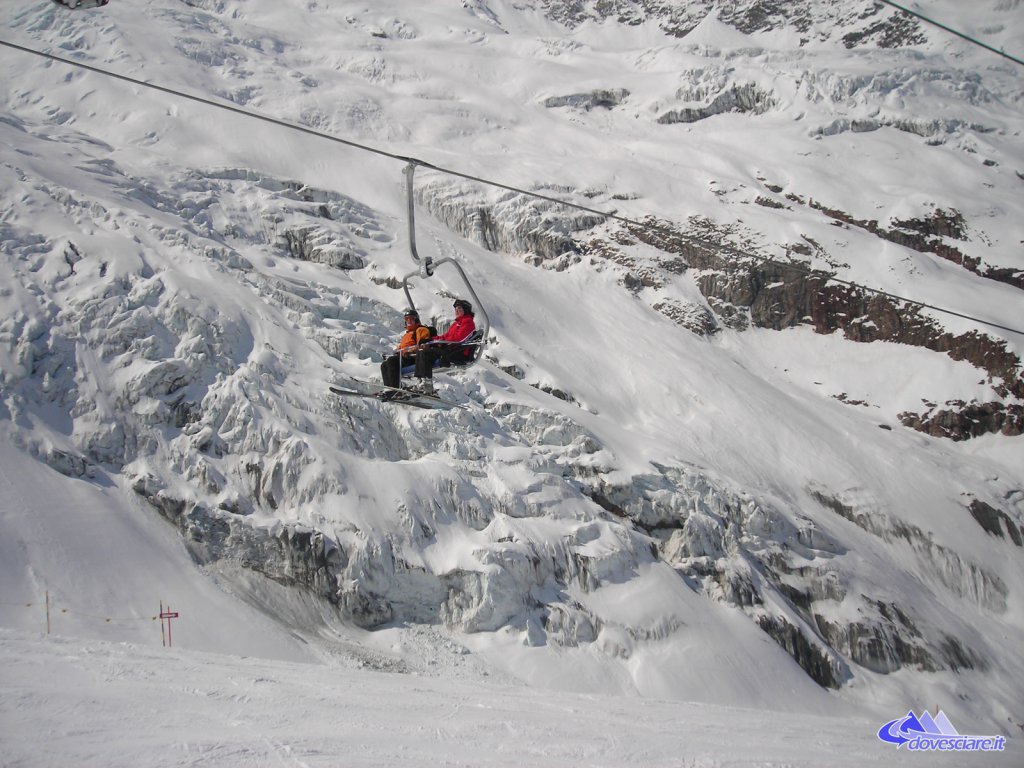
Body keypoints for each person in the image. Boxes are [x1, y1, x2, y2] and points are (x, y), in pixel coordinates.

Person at [412, 299, 477, 394]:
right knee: (422, 351)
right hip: (451, 350)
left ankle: (427, 383)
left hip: (458, 352)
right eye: (455, 309)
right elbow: (445, 337)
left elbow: (457, 339)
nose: (456, 311)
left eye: (459, 308)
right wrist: (431, 340)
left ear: (466, 310)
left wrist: (439, 343)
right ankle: (421, 381)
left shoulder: (467, 322)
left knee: (425, 353)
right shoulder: (456, 324)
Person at [380, 309, 431, 391]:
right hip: (404, 357)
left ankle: (395, 389)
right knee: (384, 365)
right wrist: (398, 351)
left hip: (413, 357)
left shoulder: (420, 330)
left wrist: (410, 351)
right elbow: (402, 347)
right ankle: (389, 389)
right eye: (407, 319)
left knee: (391, 361)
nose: (409, 321)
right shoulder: (407, 334)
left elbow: (422, 344)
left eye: (411, 318)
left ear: (416, 319)